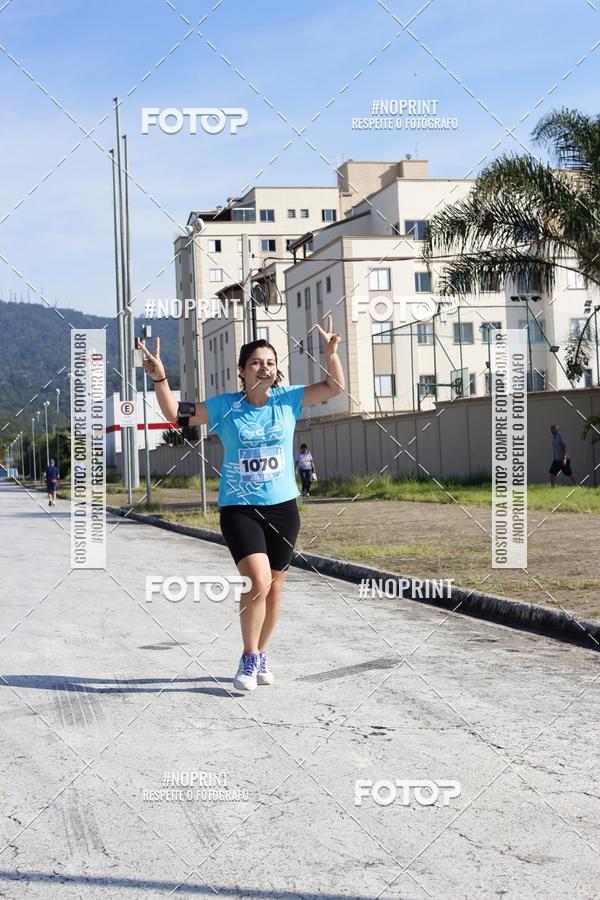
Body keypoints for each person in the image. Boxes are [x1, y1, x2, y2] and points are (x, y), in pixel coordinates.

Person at [140, 315, 344, 692]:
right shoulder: (225, 406)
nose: (263, 367)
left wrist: (330, 353)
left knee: (276, 588)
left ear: (276, 369)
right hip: (240, 508)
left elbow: (334, 386)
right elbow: (175, 414)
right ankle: (249, 657)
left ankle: (262, 651)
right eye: (255, 362)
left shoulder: (288, 399)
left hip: (284, 507)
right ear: (242, 371)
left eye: (270, 362)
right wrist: (159, 378)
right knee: (256, 583)